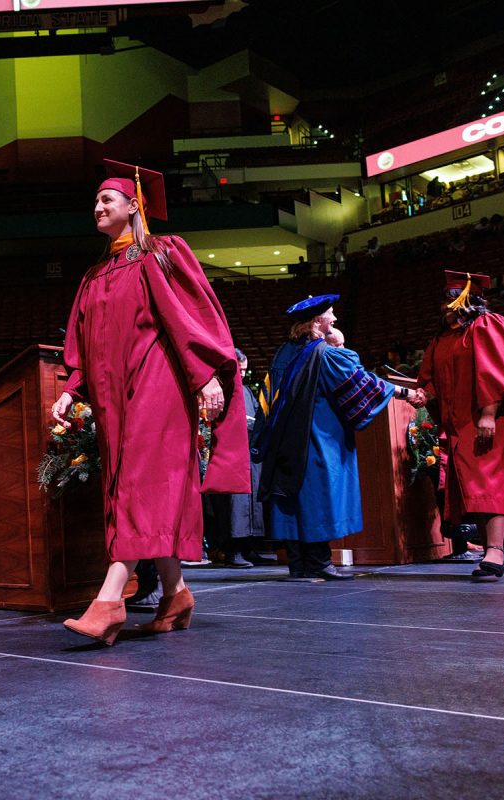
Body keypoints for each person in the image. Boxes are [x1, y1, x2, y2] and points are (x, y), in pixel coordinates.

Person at [54, 160, 249, 646]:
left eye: (107, 199)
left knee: (141, 483)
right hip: (113, 400)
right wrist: (69, 389)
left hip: (157, 385)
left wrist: (205, 375)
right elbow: (84, 342)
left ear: (134, 205)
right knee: (134, 485)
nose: (97, 206)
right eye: (95, 201)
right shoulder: (95, 275)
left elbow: (189, 317)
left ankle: (111, 599)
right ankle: (176, 594)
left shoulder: (161, 254)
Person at [254, 295, 407, 581]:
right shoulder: (326, 354)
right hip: (315, 438)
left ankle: (298, 564)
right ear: (317, 321)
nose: (334, 319)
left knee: (293, 498)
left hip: (284, 441)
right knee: (317, 497)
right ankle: (320, 562)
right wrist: (342, 344)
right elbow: (359, 379)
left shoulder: (283, 353)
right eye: (330, 314)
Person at [412, 271, 504, 582]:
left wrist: (488, 413)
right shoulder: (443, 338)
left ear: (468, 298)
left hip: (488, 420)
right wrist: (423, 394)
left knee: (489, 482)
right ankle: (490, 550)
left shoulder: (487, 325)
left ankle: (496, 549)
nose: (445, 304)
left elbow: (496, 372)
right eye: (444, 298)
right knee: (474, 486)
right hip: (459, 424)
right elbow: (432, 378)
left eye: (451, 297)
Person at [204, 349, 270, 569]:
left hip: (249, 451)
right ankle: (233, 550)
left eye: (244, 370)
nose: (242, 374)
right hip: (231, 452)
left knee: (252, 503)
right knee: (234, 504)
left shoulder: (245, 390)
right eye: (239, 370)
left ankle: (250, 547)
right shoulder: (221, 388)